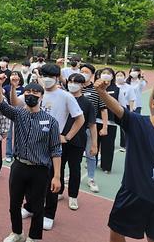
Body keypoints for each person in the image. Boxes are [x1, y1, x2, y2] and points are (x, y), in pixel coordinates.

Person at [17, 64, 84, 231]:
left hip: (52, 145)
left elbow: (80, 119)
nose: (46, 79)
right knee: (32, 179)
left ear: (56, 77)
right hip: (33, 143)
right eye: (43, 75)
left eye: (50, 76)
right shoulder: (36, 92)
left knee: (53, 180)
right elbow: (16, 104)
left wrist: (67, 136)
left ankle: (49, 213)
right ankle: (30, 206)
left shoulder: (66, 96)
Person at [0, 74, 61, 242]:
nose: (31, 95)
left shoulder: (51, 122)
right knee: (14, 204)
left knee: (38, 207)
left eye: (35, 92)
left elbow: (56, 149)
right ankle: (17, 233)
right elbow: (0, 104)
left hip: (39, 170)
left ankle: (33, 237)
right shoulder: (19, 114)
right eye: (28, 92)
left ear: (41, 96)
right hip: (19, 166)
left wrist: (57, 176)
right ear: (23, 94)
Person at [94, 79, 154, 242]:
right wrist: (101, 92)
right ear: (153, 105)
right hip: (133, 191)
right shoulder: (138, 123)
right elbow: (118, 108)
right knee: (116, 229)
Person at [59, 73, 98, 211]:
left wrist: (94, 144)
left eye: (75, 82)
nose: (72, 84)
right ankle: (59, 191)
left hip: (78, 141)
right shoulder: (62, 98)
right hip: (60, 140)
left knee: (75, 169)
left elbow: (92, 125)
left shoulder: (87, 104)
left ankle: (73, 196)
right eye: (70, 81)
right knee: (59, 167)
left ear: (82, 85)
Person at [79, 63, 107, 193]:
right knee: (74, 153)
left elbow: (103, 109)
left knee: (91, 153)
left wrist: (105, 126)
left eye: (86, 72)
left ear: (91, 75)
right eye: (81, 71)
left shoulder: (96, 90)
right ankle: (74, 175)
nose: (83, 73)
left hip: (90, 127)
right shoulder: (74, 88)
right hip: (74, 127)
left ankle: (91, 178)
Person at [96, 68, 120, 174]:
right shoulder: (95, 87)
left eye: (108, 73)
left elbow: (120, 105)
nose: (106, 75)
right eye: (103, 73)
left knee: (108, 145)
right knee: (94, 143)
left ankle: (106, 166)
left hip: (111, 121)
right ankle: (92, 162)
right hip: (95, 120)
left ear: (112, 76)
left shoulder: (117, 89)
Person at [115, 71, 135, 152]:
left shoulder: (129, 87)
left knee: (123, 127)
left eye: (121, 75)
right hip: (113, 107)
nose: (119, 77)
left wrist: (130, 110)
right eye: (118, 75)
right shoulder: (113, 86)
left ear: (124, 77)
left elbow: (131, 99)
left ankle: (124, 145)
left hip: (124, 107)